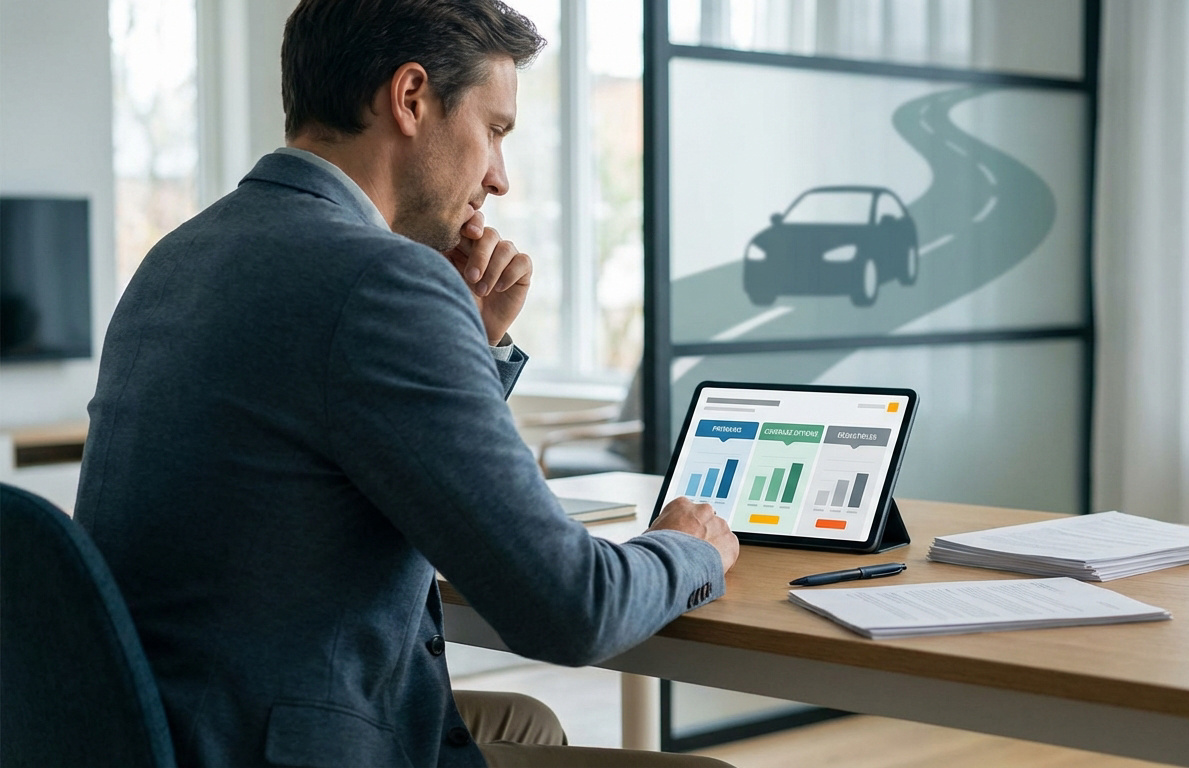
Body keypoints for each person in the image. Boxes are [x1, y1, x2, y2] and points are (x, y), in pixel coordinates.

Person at [73, 0, 738, 766]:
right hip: (285, 744)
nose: (499, 178)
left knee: (521, 723)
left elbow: (341, 453)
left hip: (159, 728)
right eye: (495, 130)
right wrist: (687, 547)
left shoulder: (178, 257)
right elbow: (570, 609)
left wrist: (466, 341)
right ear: (412, 97)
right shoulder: (379, 281)